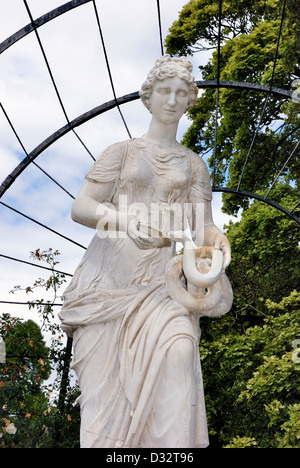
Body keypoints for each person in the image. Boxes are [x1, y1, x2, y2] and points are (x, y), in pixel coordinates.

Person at [59, 55, 232, 448]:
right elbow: (81, 207)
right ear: (149, 98)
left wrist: (216, 238)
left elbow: (202, 224)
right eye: (164, 91)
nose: (171, 100)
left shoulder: (193, 165)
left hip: (161, 284)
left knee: (180, 352)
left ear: (190, 101)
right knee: (104, 401)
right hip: (106, 284)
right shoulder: (120, 152)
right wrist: (125, 220)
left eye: (180, 93)